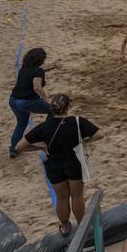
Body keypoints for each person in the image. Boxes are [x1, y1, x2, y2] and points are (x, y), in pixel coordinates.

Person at [15, 94, 102, 236]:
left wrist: (41, 147)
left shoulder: (44, 127)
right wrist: (84, 142)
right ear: (67, 108)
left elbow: (19, 147)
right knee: (77, 196)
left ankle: (65, 226)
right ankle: (83, 228)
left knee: (61, 198)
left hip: (54, 165)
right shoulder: (78, 122)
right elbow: (100, 135)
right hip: (73, 162)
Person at [9, 48, 52, 157]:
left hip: (13, 100)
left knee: (21, 124)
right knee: (54, 110)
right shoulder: (39, 71)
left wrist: (51, 67)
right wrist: (47, 100)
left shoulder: (23, 69)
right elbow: (37, 87)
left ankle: (14, 149)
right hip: (27, 102)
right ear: (40, 60)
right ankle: (49, 137)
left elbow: (34, 73)